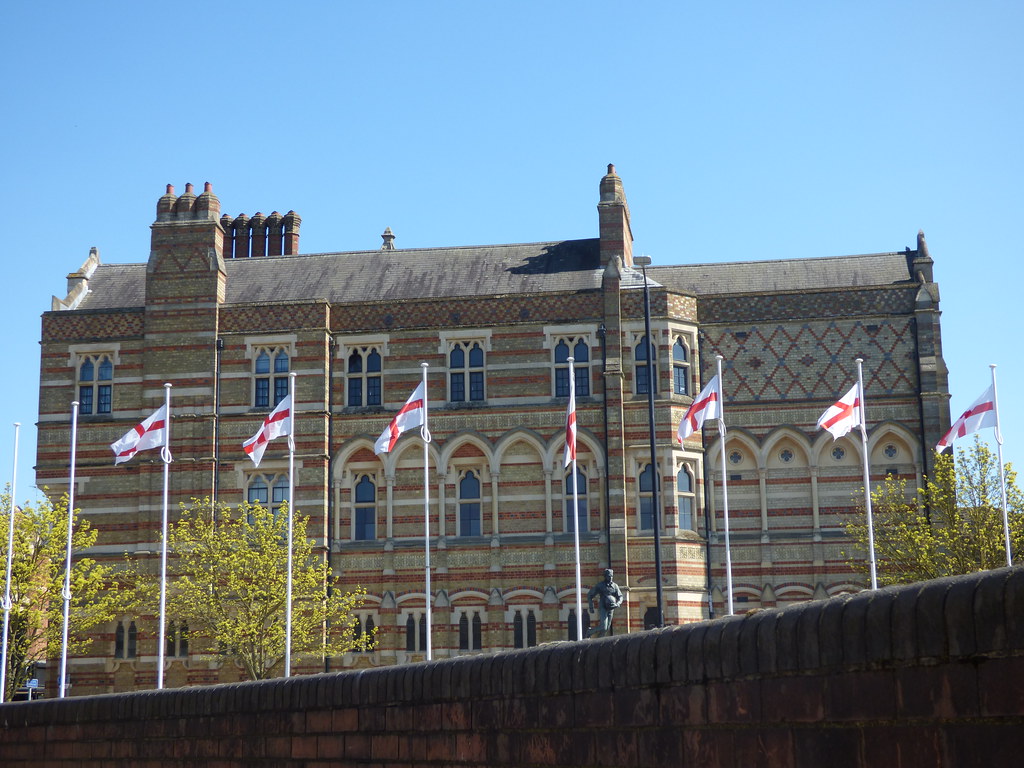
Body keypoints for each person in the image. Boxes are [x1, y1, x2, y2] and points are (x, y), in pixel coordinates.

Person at [586, 568, 624, 638]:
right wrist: (591, 606)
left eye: (611, 576)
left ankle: (600, 640)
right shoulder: (600, 585)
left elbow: (620, 596)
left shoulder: (615, 586)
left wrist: (618, 603)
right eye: (609, 576)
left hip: (611, 607)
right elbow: (590, 595)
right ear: (605, 576)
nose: (610, 578)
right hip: (603, 606)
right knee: (603, 627)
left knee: (606, 628)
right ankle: (590, 631)